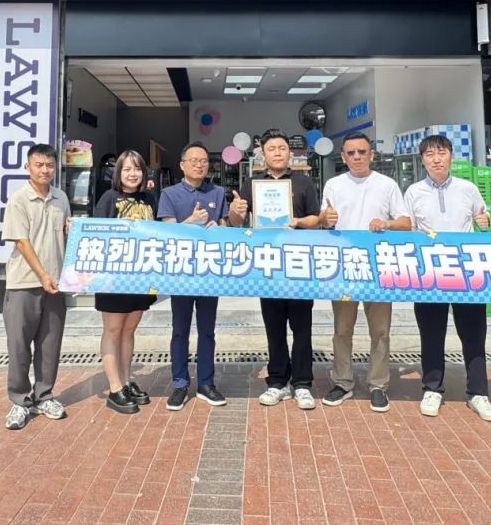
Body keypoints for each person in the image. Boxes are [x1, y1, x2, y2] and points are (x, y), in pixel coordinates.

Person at [404, 134, 491, 422]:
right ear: (422, 160)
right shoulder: (414, 192)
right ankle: (432, 388)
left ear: (451, 156)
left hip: (466, 272)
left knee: (474, 334)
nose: (436, 159)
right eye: (430, 154)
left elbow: (483, 220)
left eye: (441, 153)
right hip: (429, 273)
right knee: (431, 334)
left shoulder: (468, 189)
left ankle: (479, 393)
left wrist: (485, 222)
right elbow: (408, 229)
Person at [229, 128, 322, 410]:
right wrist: (236, 210)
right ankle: (278, 381)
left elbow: (317, 219)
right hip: (268, 264)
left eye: (282, 148)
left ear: (289, 152)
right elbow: (236, 223)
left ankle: (302, 383)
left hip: (298, 264)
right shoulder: (252, 184)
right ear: (263, 154)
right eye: (272, 149)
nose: (278, 153)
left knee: (302, 327)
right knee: (274, 326)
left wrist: (298, 222)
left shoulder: (304, 182)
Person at [319, 132, 410, 412]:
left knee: (380, 330)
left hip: (378, 266)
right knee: (342, 329)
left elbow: (406, 222)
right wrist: (326, 219)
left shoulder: (387, 184)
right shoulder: (334, 185)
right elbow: (324, 221)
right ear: (343, 157)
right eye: (351, 153)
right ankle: (342, 381)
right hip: (344, 265)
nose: (356, 157)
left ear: (371, 154)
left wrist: (387, 224)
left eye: (362, 152)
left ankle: (378, 384)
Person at [1, 144, 70, 430]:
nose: (45, 170)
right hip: (24, 283)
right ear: (27, 167)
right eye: (39, 165)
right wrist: (42, 275)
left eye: (49, 165)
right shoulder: (19, 199)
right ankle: (19, 401)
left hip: (55, 284)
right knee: (19, 345)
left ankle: (44, 396)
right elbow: (22, 242)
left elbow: (65, 234)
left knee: (50, 344)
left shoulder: (61, 197)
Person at [157, 141, 228, 410]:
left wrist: (218, 225)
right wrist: (191, 222)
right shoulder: (169, 194)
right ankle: (179, 384)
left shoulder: (218, 192)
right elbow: (167, 232)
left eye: (204, 161)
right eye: (194, 160)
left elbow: (224, 224)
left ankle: (206, 383)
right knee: (180, 331)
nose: (199, 165)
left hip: (209, 272)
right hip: (182, 273)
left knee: (207, 331)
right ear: (182, 165)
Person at [93, 150, 158, 414]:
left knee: (129, 330)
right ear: (118, 173)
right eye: (127, 169)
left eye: (137, 169)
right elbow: (97, 235)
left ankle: (126, 380)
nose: (133, 174)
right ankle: (114, 388)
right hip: (113, 277)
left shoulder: (150, 198)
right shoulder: (109, 198)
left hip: (141, 276)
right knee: (113, 330)